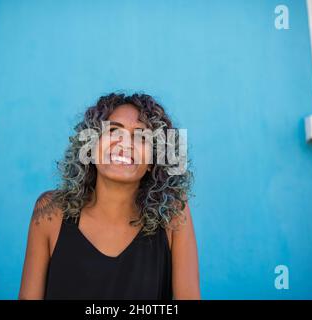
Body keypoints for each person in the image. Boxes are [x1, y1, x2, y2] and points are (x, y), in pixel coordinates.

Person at [19, 93, 200, 299]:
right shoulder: (50, 211)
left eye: (141, 137)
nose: (125, 144)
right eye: (113, 131)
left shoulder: (174, 214)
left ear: (152, 161)